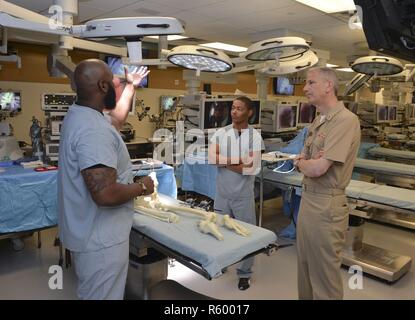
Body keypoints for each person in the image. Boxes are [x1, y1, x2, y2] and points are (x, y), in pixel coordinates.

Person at [58, 59, 154, 300]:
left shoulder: (81, 113)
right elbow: (105, 194)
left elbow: (116, 120)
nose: (116, 83)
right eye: (114, 80)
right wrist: (142, 186)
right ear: (103, 87)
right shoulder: (93, 131)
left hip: (88, 233)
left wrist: (131, 86)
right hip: (100, 241)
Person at [294, 67, 361, 300]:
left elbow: (317, 168)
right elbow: (306, 160)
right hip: (308, 199)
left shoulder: (345, 121)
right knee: (304, 268)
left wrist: (304, 163)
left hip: (326, 206)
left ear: (328, 86)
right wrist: (306, 162)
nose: (305, 88)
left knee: (323, 276)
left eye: (311, 83)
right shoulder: (318, 120)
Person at [208, 96, 263, 291]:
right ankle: (220, 264)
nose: (234, 111)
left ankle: (244, 274)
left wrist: (224, 161)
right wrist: (239, 159)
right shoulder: (220, 133)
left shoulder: (255, 137)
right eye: (233, 108)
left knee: (247, 236)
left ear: (249, 112)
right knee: (218, 232)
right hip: (222, 194)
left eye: (239, 109)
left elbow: (251, 169)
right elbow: (211, 159)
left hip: (243, 196)